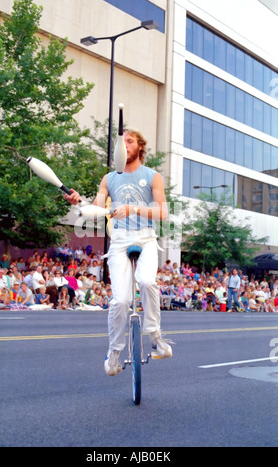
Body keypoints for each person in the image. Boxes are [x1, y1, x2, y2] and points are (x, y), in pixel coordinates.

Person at [65, 127, 173, 376]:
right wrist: (78, 202)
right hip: (120, 240)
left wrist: (133, 209)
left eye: (130, 141)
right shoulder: (108, 178)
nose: (125, 146)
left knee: (147, 281)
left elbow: (163, 212)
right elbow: (96, 210)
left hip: (145, 237)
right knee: (120, 300)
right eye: (121, 142)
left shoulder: (153, 176)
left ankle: (155, 336)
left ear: (140, 147)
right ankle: (114, 352)